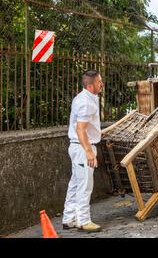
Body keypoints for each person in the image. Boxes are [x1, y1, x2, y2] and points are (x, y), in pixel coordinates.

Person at [62, 70, 103, 233]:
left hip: (78, 146)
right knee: (85, 186)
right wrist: (89, 151)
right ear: (90, 85)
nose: (102, 83)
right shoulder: (86, 102)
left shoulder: (84, 98)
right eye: (99, 82)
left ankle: (69, 218)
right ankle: (83, 220)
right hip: (82, 147)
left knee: (76, 184)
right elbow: (80, 129)